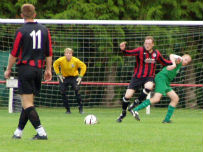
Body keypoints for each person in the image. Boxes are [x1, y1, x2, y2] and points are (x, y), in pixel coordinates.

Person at [4, 4, 53, 140]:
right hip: (38, 69)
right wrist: (48, 69)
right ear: (35, 14)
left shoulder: (21, 31)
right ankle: (18, 132)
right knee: (28, 102)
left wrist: (8, 69)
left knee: (27, 104)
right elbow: (49, 52)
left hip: (25, 69)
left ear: (21, 16)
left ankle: (41, 133)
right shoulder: (45, 30)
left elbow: (14, 53)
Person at [117, 36, 172, 122]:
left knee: (149, 86)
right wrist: (123, 50)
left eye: (149, 43)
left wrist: (174, 62)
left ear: (153, 44)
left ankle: (134, 104)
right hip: (137, 77)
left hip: (148, 77)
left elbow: (164, 62)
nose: (147, 45)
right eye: (146, 43)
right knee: (127, 96)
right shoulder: (140, 50)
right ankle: (123, 113)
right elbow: (128, 53)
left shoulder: (156, 54)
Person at [130, 54, 192, 123]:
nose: (186, 62)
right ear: (182, 57)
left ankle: (167, 120)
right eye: (186, 59)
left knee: (175, 98)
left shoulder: (180, 64)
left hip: (166, 82)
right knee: (156, 98)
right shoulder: (179, 60)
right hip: (162, 78)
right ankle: (135, 109)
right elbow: (171, 55)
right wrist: (174, 64)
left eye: (188, 61)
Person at [53, 48, 86, 114]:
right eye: (66, 53)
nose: (68, 54)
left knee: (77, 90)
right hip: (64, 77)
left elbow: (83, 66)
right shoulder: (61, 60)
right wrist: (59, 74)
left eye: (69, 53)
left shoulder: (76, 60)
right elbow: (55, 65)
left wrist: (80, 76)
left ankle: (81, 108)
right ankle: (68, 110)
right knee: (62, 92)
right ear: (64, 54)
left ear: (72, 54)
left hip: (74, 77)